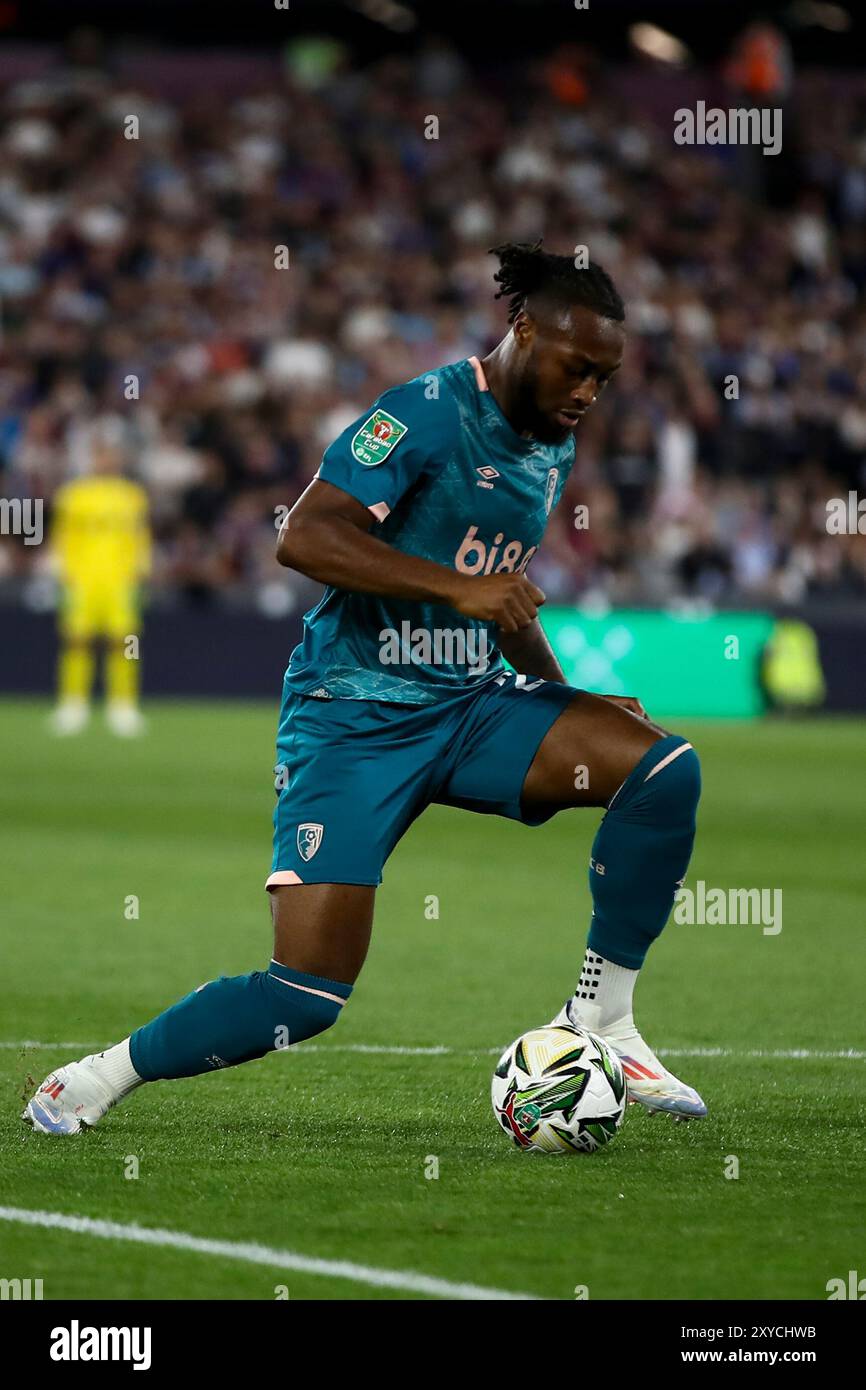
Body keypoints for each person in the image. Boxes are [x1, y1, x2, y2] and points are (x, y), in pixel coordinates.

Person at [24, 242, 705, 1135]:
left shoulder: (552, 440)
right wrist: (456, 590)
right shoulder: (421, 413)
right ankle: (95, 1078)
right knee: (305, 994)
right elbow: (304, 537)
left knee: (662, 772)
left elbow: (497, 589)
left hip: (470, 705)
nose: (587, 393)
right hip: (354, 717)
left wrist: (566, 691)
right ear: (523, 329)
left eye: (604, 380)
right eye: (577, 368)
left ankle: (602, 1020)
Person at [49, 424, 150, 737]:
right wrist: (62, 570)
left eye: (111, 455)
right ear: (92, 458)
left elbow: (140, 537)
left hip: (120, 580)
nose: (106, 460)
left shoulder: (131, 496)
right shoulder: (73, 496)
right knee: (76, 640)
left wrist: (141, 568)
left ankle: (122, 706)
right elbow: (62, 538)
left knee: (124, 642)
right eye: (100, 455)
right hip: (81, 580)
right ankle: (73, 704)